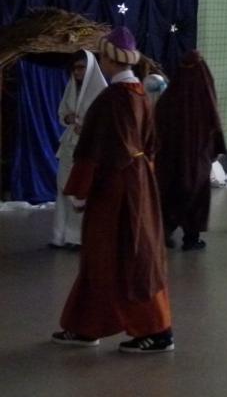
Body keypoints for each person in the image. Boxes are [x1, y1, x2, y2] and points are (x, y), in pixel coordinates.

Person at [51, 27, 174, 353]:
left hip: (115, 191)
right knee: (112, 256)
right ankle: (85, 325)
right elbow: (151, 143)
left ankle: (157, 330)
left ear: (108, 59)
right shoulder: (140, 95)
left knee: (128, 257)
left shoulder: (111, 100)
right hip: (137, 183)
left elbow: (94, 150)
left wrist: (80, 190)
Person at [155, 50, 226, 250]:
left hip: (171, 158)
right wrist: (216, 148)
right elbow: (214, 123)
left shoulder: (170, 96)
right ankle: (191, 238)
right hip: (197, 156)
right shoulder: (205, 96)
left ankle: (165, 232)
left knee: (170, 191)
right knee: (196, 192)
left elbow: (158, 123)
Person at [50, 50, 107, 249]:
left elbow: (106, 122)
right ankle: (59, 235)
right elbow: (62, 112)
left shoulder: (102, 91)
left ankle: (78, 238)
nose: (76, 72)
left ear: (89, 68)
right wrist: (69, 118)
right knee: (63, 187)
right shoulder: (71, 87)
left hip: (88, 149)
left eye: (81, 68)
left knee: (81, 191)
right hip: (69, 146)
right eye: (74, 68)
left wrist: (86, 127)